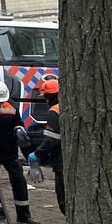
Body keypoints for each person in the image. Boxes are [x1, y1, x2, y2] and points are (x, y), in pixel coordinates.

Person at [0, 79, 40, 224]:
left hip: (9, 150)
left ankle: (24, 214)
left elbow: (18, 122)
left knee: (19, 180)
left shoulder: (10, 105)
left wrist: (19, 129)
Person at [34, 77, 64, 216]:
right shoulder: (67, 105)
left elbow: (52, 139)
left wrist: (38, 154)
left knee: (63, 195)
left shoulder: (54, 111)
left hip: (61, 160)